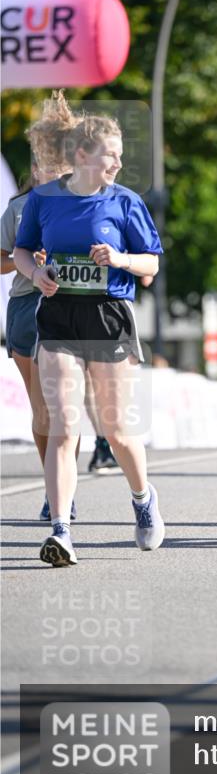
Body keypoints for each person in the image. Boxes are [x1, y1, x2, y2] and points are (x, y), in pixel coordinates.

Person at [13, 91, 165, 567]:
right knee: (63, 426)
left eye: (120, 155)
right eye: (110, 155)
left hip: (108, 318)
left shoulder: (126, 202)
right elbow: (21, 250)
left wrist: (119, 259)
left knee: (116, 430)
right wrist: (36, 273)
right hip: (58, 317)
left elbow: (151, 264)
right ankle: (61, 530)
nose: (118, 164)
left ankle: (143, 498)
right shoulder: (43, 200)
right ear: (82, 155)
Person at [1, 159, 77, 522]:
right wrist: (26, 260)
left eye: (60, 162)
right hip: (26, 306)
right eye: (45, 161)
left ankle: (64, 489)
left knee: (64, 408)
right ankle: (53, 488)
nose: (52, 169)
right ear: (33, 167)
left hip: (69, 305)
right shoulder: (18, 207)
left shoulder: (83, 204)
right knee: (43, 409)